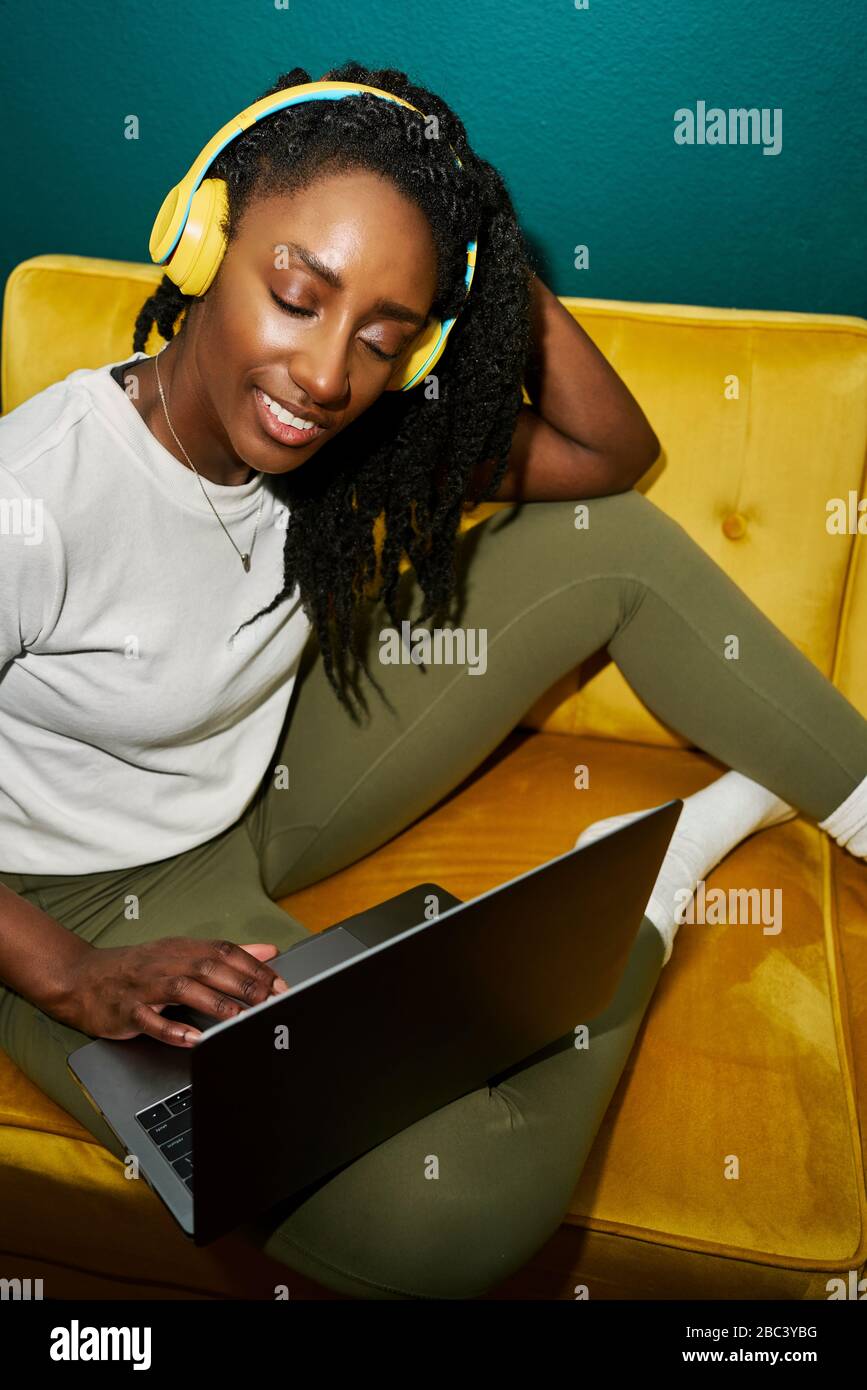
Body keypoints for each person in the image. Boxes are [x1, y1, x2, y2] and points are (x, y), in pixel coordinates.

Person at [1, 60, 866, 1302]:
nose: (322, 374)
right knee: (445, 1217)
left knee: (609, 546)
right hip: (75, 897)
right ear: (202, 240)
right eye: (298, 295)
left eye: (381, 335)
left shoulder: (341, 435)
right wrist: (71, 975)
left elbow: (612, 460)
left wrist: (482, 250)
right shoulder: (34, 492)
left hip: (260, 777)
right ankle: (660, 867)